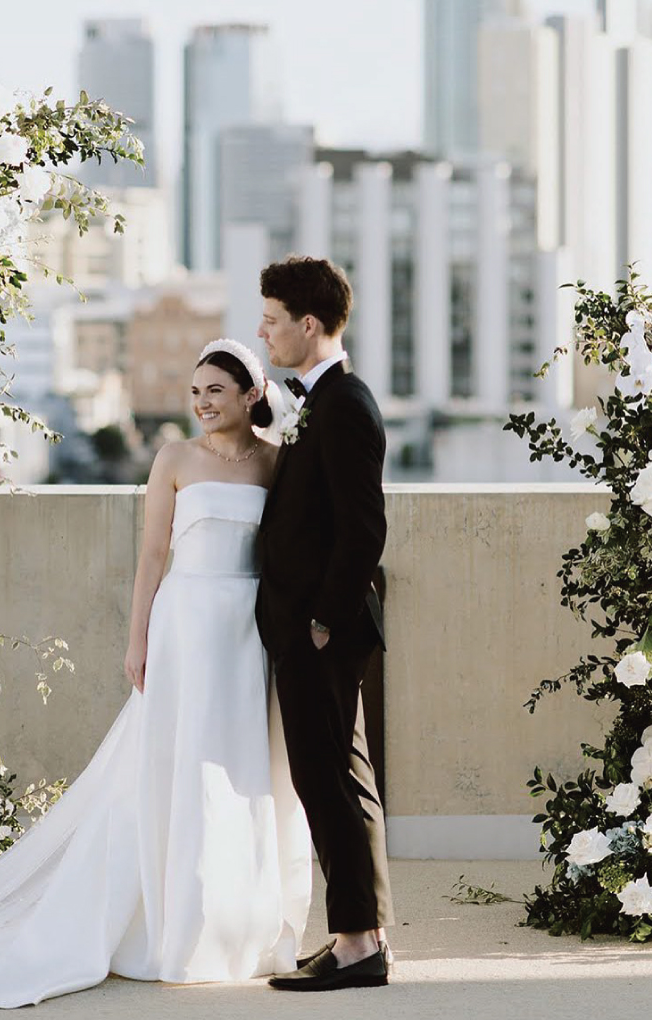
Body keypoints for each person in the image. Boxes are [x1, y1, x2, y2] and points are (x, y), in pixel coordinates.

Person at [0, 340, 312, 1008]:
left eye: (215, 390)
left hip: (247, 633)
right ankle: (170, 928)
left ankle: (227, 924)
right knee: (177, 769)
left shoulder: (276, 464)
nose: (202, 403)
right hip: (184, 626)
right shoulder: (175, 458)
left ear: (252, 394)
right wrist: (139, 640)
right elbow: (153, 555)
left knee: (239, 772)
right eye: (195, 392)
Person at [255, 256, 395, 992]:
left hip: (323, 631)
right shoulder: (318, 399)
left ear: (308, 324)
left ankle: (355, 947)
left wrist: (320, 621)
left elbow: (365, 529)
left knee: (328, 779)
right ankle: (362, 937)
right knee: (341, 779)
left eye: (272, 320)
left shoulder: (343, 405)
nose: (262, 332)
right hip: (313, 629)